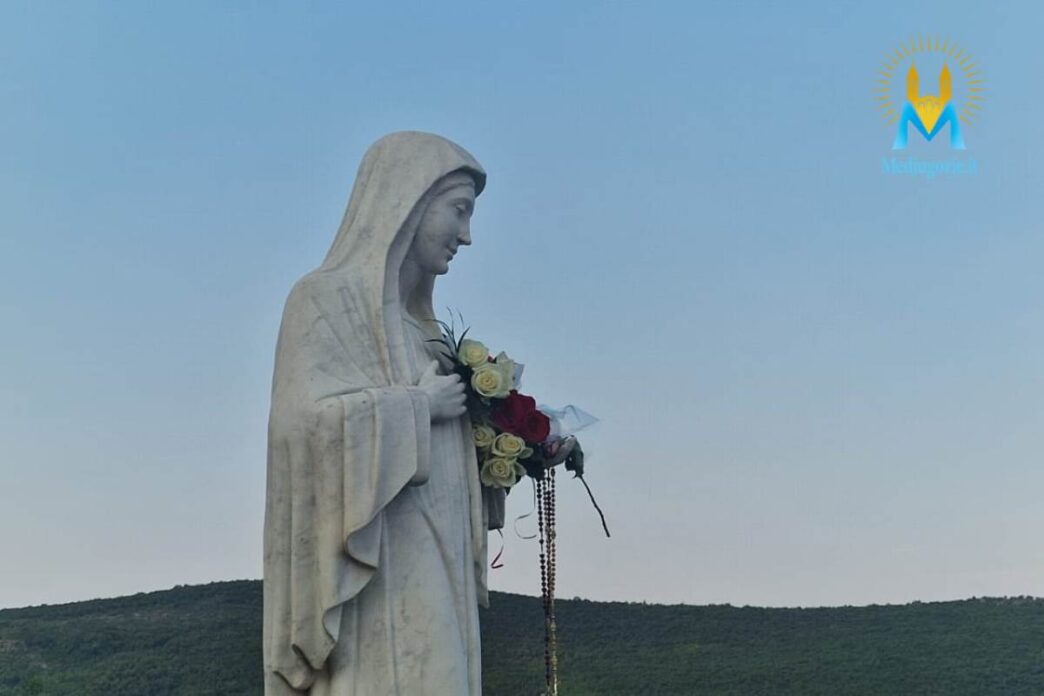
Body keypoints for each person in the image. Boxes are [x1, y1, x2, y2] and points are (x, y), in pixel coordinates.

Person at [263, 132, 504, 695]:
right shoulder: (322, 301)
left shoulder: (430, 333)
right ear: (409, 201)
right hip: (374, 564)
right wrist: (417, 407)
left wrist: (516, 450)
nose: (466, 237)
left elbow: (451, 455)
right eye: (459, 211)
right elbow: (298, 426)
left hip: (439, 549)